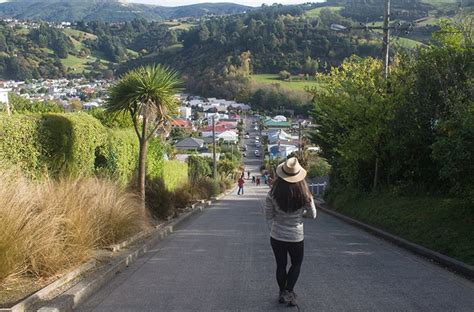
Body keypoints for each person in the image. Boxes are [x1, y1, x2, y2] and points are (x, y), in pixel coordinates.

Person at [264, 157, 317, 307]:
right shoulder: (305, 194)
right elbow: (312, 214)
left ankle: (282, 293)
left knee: (280, 265)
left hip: (277, 235)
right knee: (296, 264)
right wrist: (300, 216)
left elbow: (268, 216)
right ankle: (289, 291)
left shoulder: (272, 194)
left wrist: (280, 216)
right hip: (296, 236)